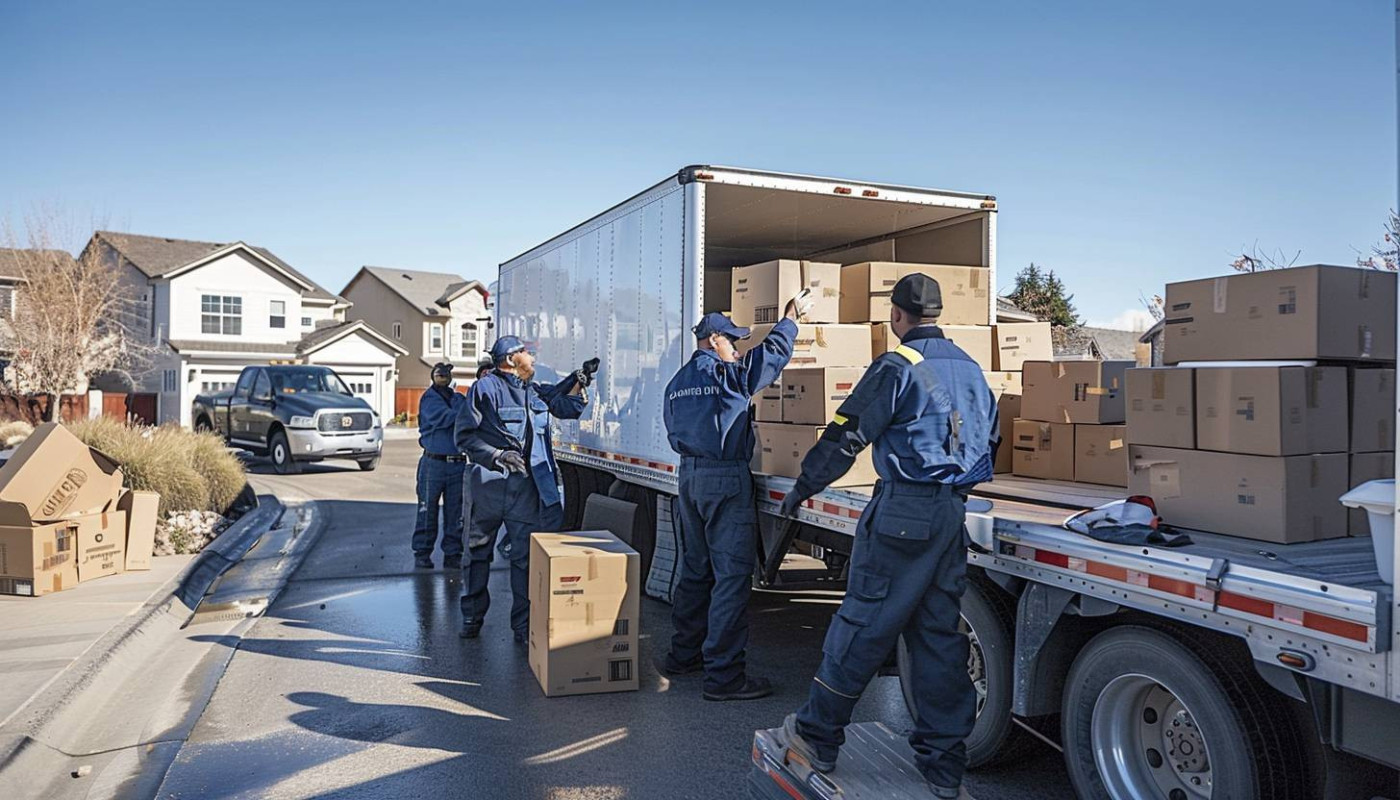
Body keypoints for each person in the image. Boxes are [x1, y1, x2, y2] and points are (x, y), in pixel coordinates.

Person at [772, 273, 997, 800]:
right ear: (940, 314)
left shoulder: (898, 365)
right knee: (938, 639)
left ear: (897, 316)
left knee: (863, 624)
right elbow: (992, 436)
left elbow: (847, 433)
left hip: (903, 513)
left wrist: (802, 487)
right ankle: (943, 766)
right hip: (950, 515)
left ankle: (817, 736)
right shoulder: (970, 368)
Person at [655, 289, 813, 702]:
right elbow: (768, 359)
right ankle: (723, 676)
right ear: (713, 341)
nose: (738, 348)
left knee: (695, 570)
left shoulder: (676, 384)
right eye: (733, 341)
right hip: (725, 479)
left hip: (689, 478)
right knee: (731, 578)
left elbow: (673, 430)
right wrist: (790, 320)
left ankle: (684, 654)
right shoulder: (727, 377)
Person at [455, 336, 594, 642]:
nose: (531, 356)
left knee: (524, 559)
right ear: (510, 360)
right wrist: (496, 455)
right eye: (524, 353)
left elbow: (564, 406)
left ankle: (522, 626)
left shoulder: (533, 390)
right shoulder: (485, 389)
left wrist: (579, 380)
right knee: (478, 554)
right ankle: (472, 617)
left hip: (524, 491)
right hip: (488, 486)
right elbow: (464, 436)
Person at [412, 362, 467, 570]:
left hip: (457, 463)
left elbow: (469, 415)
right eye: (439, 374)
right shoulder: (429, 399)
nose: (443, 377)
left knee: (456, 512)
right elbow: (443, 418)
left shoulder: (458, 398)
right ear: (433, 376)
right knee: (428, 509)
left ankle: (453, 553)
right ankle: (422, 552)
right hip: (433, 463)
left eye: (446, 374)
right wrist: (463, 416)